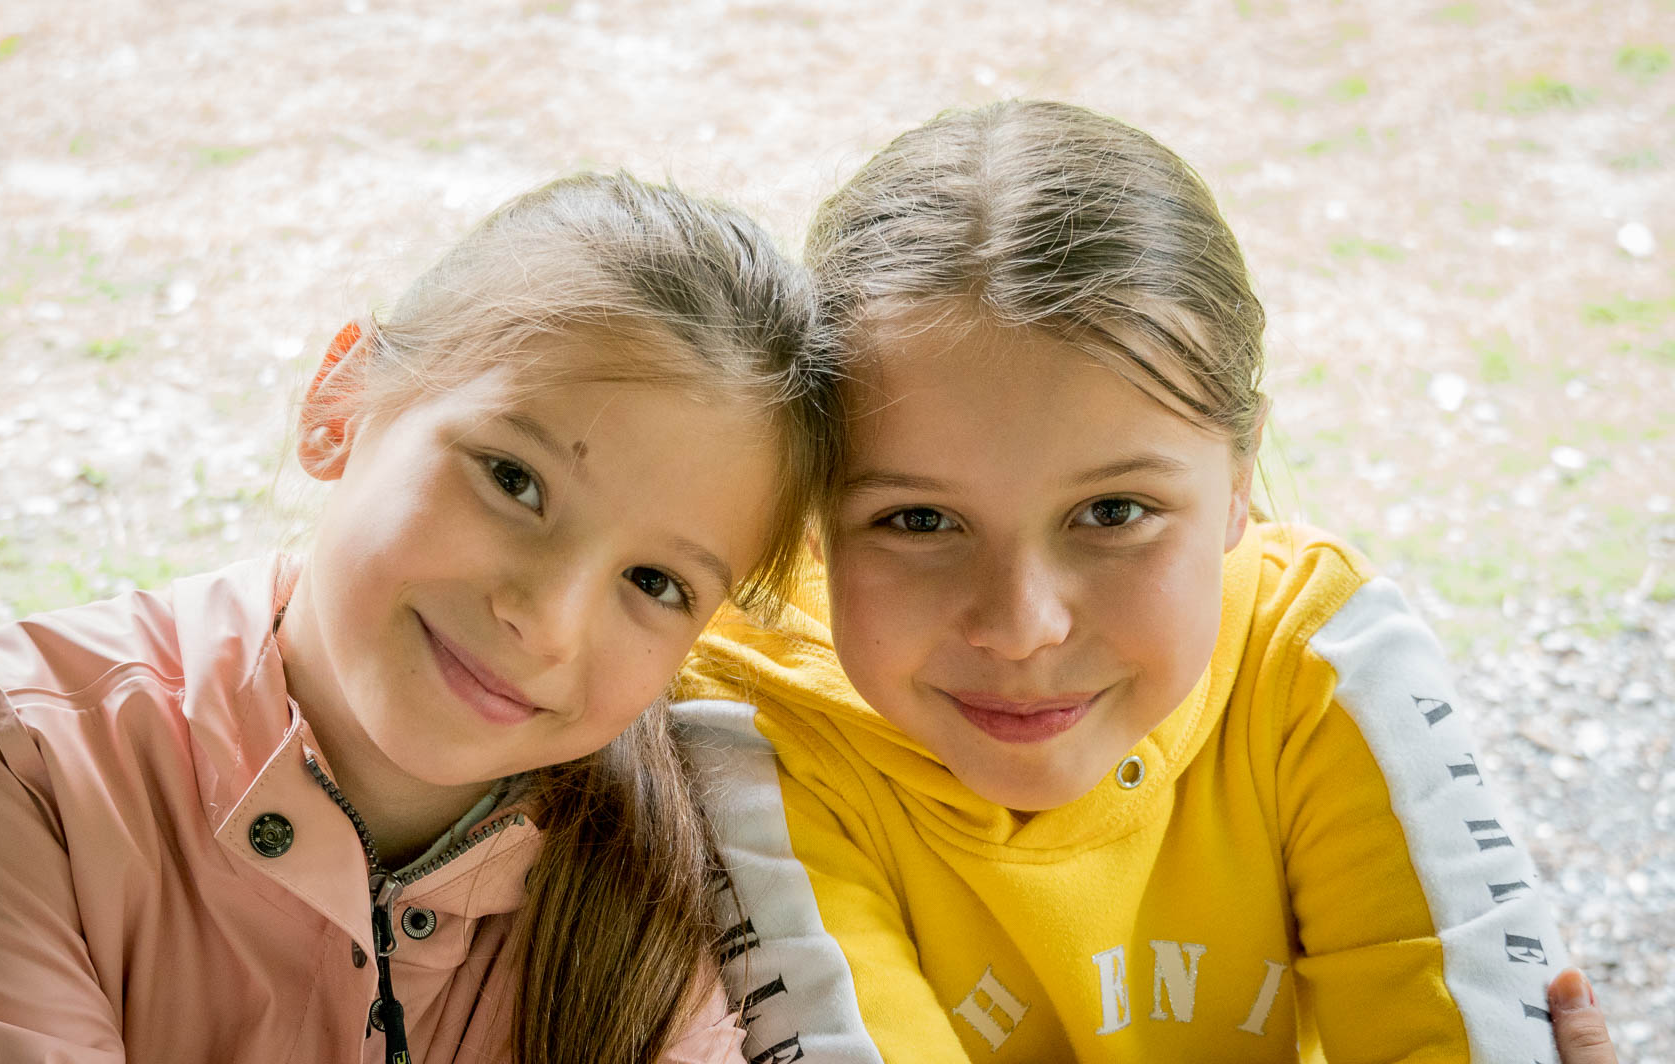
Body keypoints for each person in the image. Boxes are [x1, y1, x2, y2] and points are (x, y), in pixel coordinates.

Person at [0, 172, 841, 1063]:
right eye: (513, 481)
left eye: (656, 583)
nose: (546, 621)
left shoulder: (686, 877)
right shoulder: (10, 751)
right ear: (341, 402)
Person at [674, 101, 1592, 1062]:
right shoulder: (756, 726)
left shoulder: (1323, 659)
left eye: (1113, 513)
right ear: (813, 521)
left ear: (1239, 484)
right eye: (919, 521)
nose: (1023, 626)